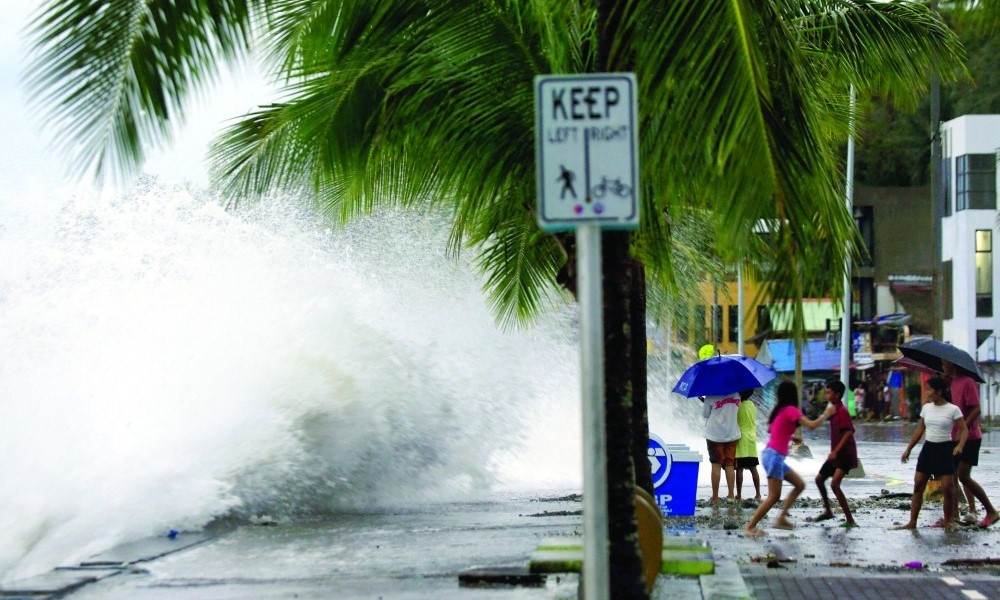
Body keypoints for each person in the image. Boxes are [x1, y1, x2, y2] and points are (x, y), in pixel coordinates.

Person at [744, 381, 828, 537]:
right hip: (774, 457)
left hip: (770, 454)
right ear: (793, 394)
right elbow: (812, 425)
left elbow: (771, 430)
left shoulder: (779, 410)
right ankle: (750, 527)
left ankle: (781, 518)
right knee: (773, 496)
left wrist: (790, 437)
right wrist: (826, 414)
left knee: (799, 484)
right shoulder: (791, 410)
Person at [894, 377, 968, 530]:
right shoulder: (926, 408)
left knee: (948, 487)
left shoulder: (953, 409)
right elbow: (920, 429)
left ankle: (948, 520)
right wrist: (908, 448)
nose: (927, 392)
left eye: (929, 389)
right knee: (919, 484)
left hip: (945, 449)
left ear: (939, 391)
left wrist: (960, 445)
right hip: (928, 449)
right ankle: (912, 522)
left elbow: (964, 429)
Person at [943, 360, 1000, 528]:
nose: (943, 366)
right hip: (954, 436)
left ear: (953, 364)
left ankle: (991, 510)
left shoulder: (968, 382)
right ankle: (952, 516)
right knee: (951, 476)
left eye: (945, 364)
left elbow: (976, 408)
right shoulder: (952, 382)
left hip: (970, 436)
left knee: (963, 476)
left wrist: (964, 426)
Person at [811, 380, 858, 527]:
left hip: (844, 454)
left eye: (829, 392)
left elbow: (849, 432)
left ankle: (850, 519)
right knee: (819, 479)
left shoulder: (842, 411)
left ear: (837, 395)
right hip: (835, 454)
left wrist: (836, 451)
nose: (826, 395)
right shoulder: (833, 409)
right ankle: (828, 510)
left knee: (835, 484)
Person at [702, 391, 742, 504]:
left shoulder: (710, 394)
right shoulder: (737, 394)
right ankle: (731, 495)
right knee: (730, 464)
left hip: (714, 435)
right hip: (732, 434)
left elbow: (705, 414)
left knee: (716, 464)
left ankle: (715, 497)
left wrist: (705, 402)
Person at [735, 389, 762, 503]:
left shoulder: (737, 406)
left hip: (741, 439)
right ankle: (758, 494)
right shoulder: (751, 405)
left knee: (739, 469)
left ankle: (739, 495)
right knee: (753, 468)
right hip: (752, 439)